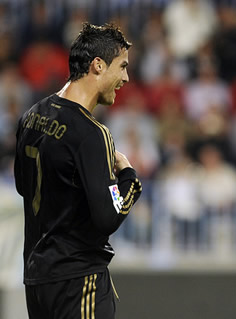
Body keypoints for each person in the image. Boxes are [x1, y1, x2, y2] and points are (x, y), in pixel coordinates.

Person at [14, 23, 142, 319]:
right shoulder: (91, 134)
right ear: (98, 65)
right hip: (78, 282)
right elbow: (108, 217)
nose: (126, 77)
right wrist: (129, 178)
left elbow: (24, 186)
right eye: (122, 67)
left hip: (37, 280)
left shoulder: (31, 116)